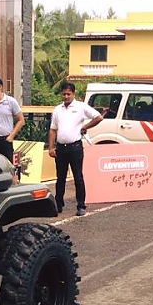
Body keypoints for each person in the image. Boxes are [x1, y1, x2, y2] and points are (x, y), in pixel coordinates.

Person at [47, 81, 103, 216]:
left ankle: (81, 205)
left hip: (75, 147)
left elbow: (98, 117)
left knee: (78, 177)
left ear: (73, 94)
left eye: (68, 94)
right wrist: (51, 147)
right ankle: (58, 204)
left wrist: (85, 127)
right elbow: (53, 129)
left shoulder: (80, 107)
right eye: (64, 94)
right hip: (61, 147)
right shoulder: (57, 109)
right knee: (60, 178)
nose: (66, 96)